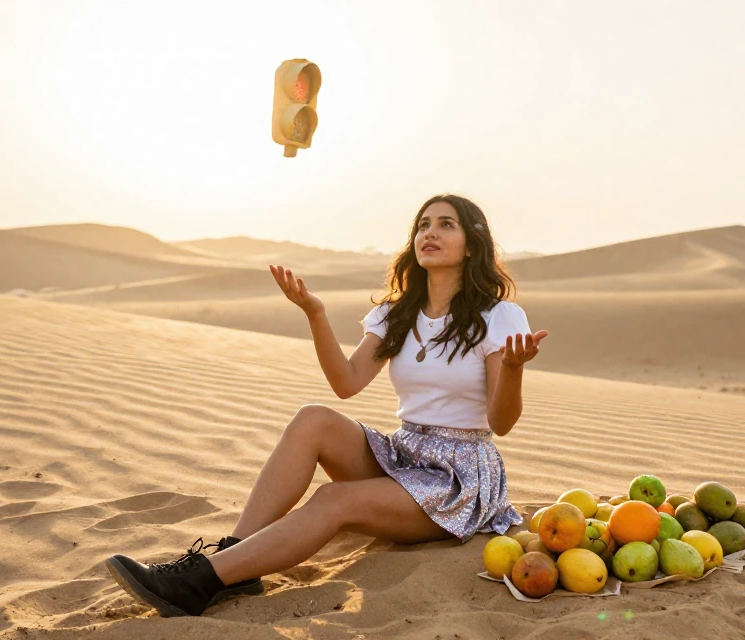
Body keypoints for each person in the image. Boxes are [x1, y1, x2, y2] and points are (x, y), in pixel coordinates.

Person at [105, 194, 549, 617]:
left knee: (333, 499)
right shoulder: (398, 312)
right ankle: (234, 556)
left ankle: (200, 582)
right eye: (423, 225)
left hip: (457, 479)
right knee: (312, 419)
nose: (428, 233)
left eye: (445, 225)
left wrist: (512, 368)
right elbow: (347, 383)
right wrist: (315, 315)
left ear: (472, 245)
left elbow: (501, 422)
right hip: (405, 454)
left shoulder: (499, 316)